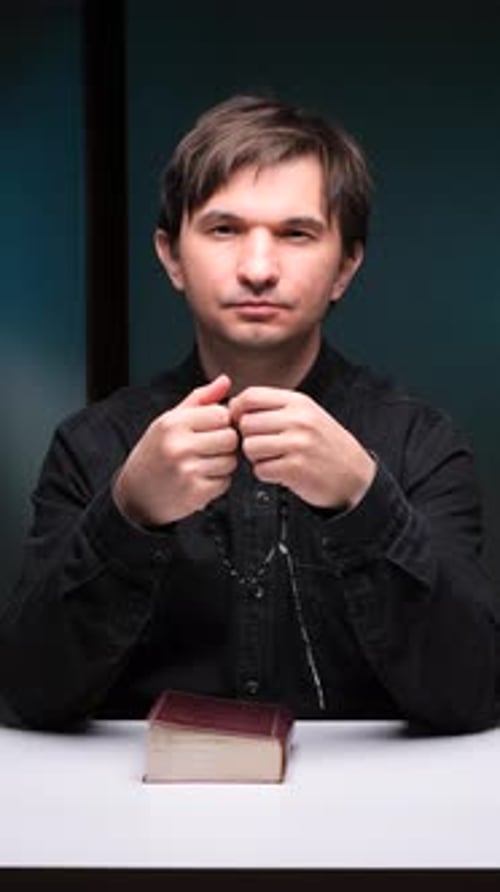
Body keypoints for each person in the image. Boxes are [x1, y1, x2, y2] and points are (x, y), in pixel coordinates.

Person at [1, 94, 499, 733]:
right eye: (223, 229)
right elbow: (28, 693)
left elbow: (475, 692)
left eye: (296, 234)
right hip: (138, 823)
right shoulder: (92, 445)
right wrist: (127, 514)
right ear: (172, 256)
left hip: (366, 822)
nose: (258, 269)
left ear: (345, 265)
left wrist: (364, 497)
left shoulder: (419, 443)